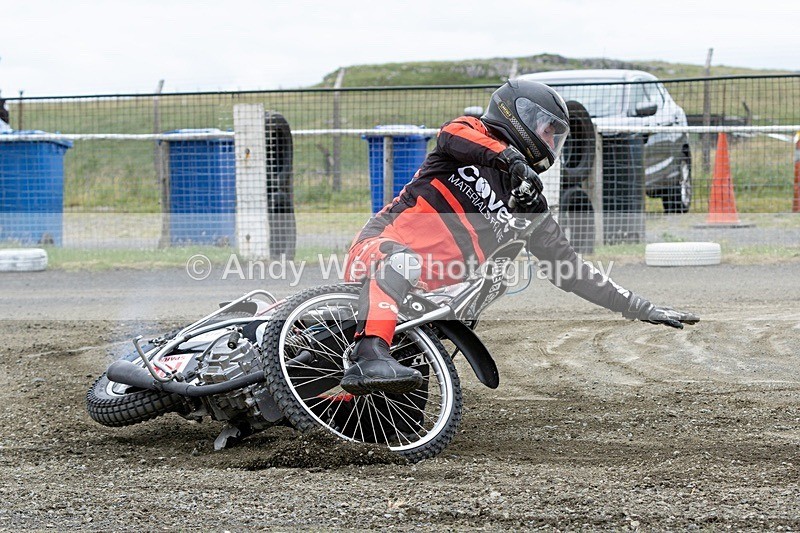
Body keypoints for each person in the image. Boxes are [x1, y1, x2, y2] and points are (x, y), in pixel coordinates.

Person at [340, 79, 698, 395]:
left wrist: (638, 307)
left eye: (556, 136)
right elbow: (451, 135)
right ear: (520, 115)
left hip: (428, 300)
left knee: (400, 414)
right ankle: (369, 352)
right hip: (381, 251)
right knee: (404, 262)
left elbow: (569, 269)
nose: (551, 141)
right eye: (548, 130)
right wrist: (510, 159)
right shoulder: (469, 133)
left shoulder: (530, 203)